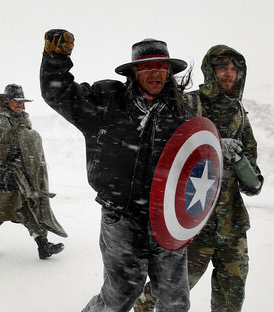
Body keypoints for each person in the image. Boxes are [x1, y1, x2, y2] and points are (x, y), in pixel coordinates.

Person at [40, 30, 193, 311]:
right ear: (134, 72)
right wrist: (55, 59)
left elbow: (196, 162)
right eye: (147, 66)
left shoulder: (182, 113)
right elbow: (59, 93)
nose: (156, 73)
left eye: (161, 66)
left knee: (175, 302)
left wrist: (190, 214)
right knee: (119, 297)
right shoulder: (107, 101)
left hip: (168, 219)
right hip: (121, 218)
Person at [134, 45, 263, 312]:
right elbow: (163, 155)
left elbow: (254, 184)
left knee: (231, 298)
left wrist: (238, 160)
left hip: (232, 228)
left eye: (234, 69)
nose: (229, 74)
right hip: (192, 223)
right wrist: (212, 144)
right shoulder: (188, 104)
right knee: (166, 292)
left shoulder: (240, 115)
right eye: (222, 67)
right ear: (210, 70)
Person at [0, 84, 67, 260]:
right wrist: (6, 151)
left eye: (22, 101)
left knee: (30, 207)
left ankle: (43, 246)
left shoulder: (24, 119)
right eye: (16, 101)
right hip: (0, 174)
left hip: (23, 174)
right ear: (6, 101)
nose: (20, 105)